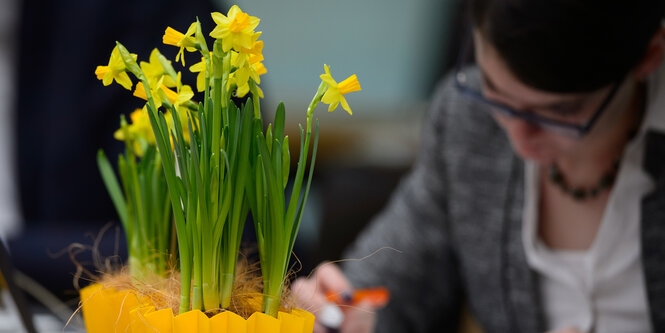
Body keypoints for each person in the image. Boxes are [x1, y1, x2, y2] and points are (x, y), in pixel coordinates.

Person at [292, 0, 665, 332]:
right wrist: (352, 313)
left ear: (649, 56)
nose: (518, 137)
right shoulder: (469, 121)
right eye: (495, 90)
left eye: (560, 113)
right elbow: (396, 281)